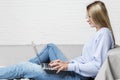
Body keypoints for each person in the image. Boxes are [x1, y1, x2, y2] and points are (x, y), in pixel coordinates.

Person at [0, 1, 115, 80]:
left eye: (89, 16)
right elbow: (87, 59)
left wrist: (69, 66)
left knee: (23, 67)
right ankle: (21, 70)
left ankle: (21, 69)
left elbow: (96, 67)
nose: (87, 19)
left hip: (76, 77)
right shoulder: (101, 32)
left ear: (97, 16)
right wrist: (68, 63)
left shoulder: (104, 33)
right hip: (74, 70)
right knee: (51, 47)